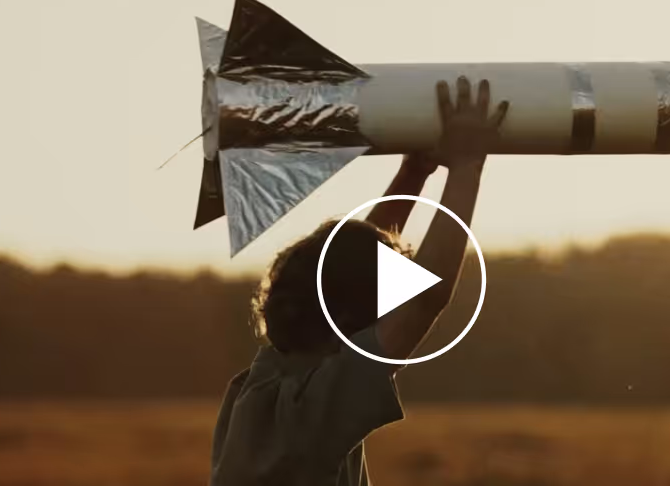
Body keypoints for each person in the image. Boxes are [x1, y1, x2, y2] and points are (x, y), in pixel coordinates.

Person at [208, 76, 508, 486]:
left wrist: (413, 175)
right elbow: (425, 299)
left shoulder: (265, 382)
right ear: (348, 321)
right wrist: (467, 167)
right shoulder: (313, 411)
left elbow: (341, 271)